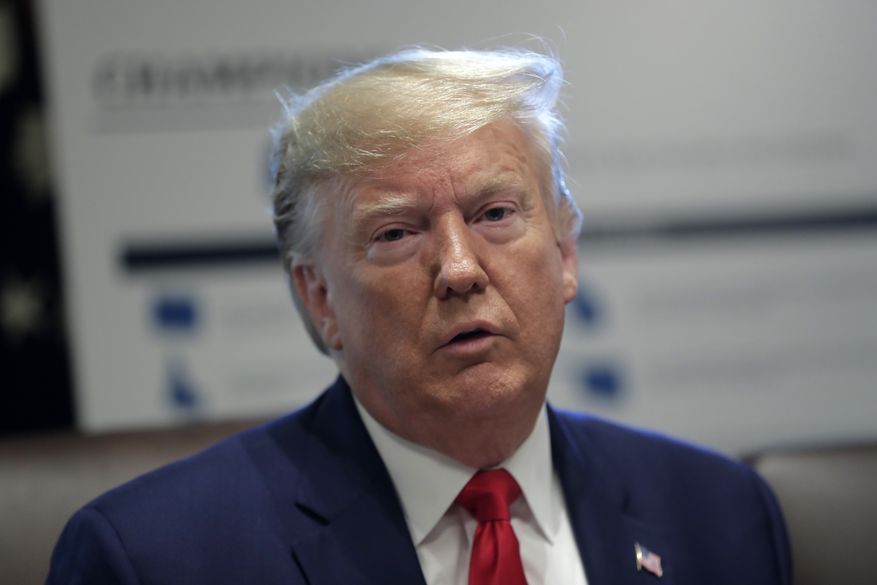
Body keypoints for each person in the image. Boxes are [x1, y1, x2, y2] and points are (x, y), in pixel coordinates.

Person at [47, 48, 791, 585]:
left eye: (495, 213)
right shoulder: (153, 558)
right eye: (397, 233)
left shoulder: (721, 515)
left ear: (565, 253)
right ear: (320, 298)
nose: (461, 269)